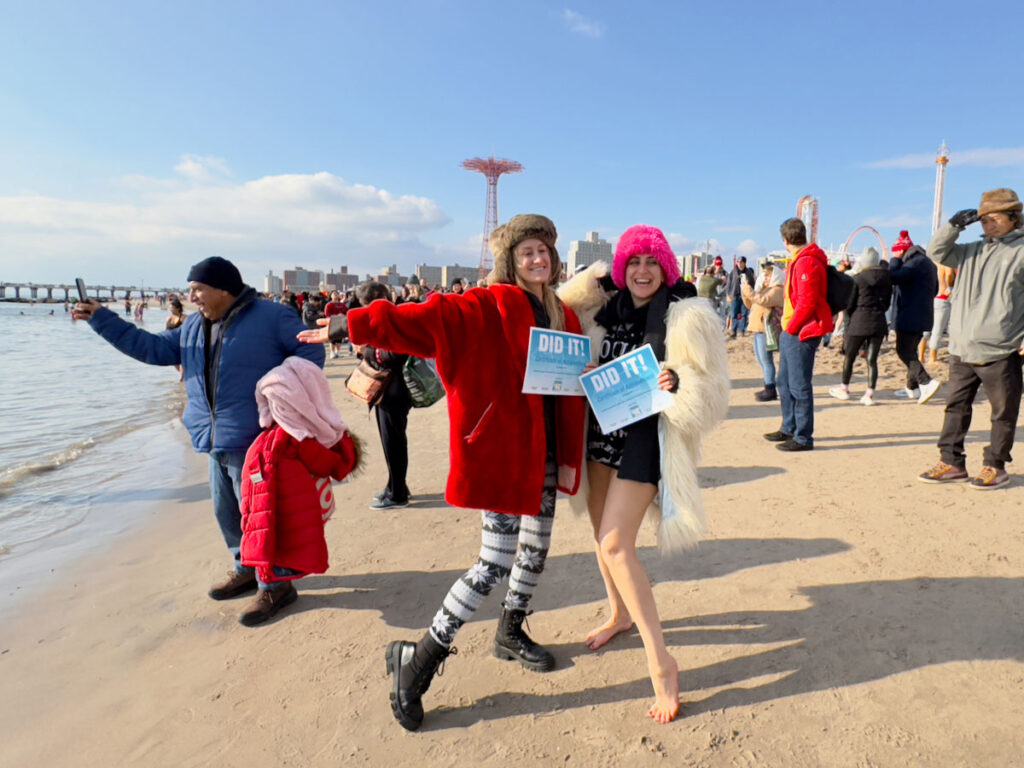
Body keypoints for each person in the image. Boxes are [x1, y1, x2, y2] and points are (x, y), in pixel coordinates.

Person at [299, 214, 586, 731]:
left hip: (545, 450)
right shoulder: (486, 303)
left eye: (544, 250)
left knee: (536, 551)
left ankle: (511, 629)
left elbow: (579, 369)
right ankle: (420, 657)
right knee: (492, 563)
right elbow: (429, 318)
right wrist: (358, 322)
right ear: (510, 260)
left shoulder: (561, 312)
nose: (538, 259)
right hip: (502, 450)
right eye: (527, 252)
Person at [72, 256, 324, 624]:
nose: (192, 297)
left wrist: (282, 395)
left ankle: (277, 586)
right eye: (190, 290)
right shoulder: (192, 327)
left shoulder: (271, 317)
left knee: (264, 515)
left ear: (223, 289)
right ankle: (247, 568)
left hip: (256, 436)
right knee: (228, 512)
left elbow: (310, 349)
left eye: (198, 290)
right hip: (212, 437)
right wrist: (102, 319)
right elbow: (152, 348)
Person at [558, 225, 729, 724]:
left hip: (646, 440)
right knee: (600, 537)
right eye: (633, 262)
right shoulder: (602, 311)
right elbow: (555, 322)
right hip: (600, 434)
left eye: (651, 262)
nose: (641, 271)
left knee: (616, 544)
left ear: (666, 267)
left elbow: (712, 389)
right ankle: (620, 613)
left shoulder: (685, 313)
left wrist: (678, 381)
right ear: (620, 268)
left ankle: (662, 663)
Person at [238, 357, 360, 624]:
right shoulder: (273, 439)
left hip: (286, 511)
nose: (275, 408)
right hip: (268, 509)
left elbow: (335, 464)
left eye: (281, 404)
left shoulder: (295, 441)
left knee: (282, 547)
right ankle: (268, 583)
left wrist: (339, 449)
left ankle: (274, 588)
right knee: (272, 544)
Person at [919, 188, 1024, 490]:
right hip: (962, 346)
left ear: (1013, 216)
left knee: (1003, 412)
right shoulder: (970, 250)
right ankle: (951, 462)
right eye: (982, 220)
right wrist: (952, 225)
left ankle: (995, 466)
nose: (987, 225)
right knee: (955, 406)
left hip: (1001, 348)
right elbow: (935, 252)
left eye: (994, 218)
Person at [764, 218, 833, 451]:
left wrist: (791, 328)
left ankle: (803, 437)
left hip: (801, 331)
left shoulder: (806, 261)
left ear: (785, 241)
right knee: (784, 382)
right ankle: (789, 427)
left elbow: (807, 302)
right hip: (793, 329)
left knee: (799, 385)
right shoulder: (799, 260)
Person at [353, 281, 414, 510]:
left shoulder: (396, 318)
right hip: (388, 390)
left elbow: (394, 354)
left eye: (367, 304)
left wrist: (368, 348)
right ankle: (395, 486)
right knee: (391, 442)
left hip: (394, 390)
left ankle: (398, 494)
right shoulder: (389, 317)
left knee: (394, 442)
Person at [829, 247, 891, 406]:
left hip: (858, 321)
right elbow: (887, 304)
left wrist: (848, 321)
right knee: (872, 360)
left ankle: (844, 388)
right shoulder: (886, 279)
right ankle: (869, 394)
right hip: (878, 322)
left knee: (849, 357)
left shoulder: (858, 279)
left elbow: (850, 303)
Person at [888, 231, 941, 404]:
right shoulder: (928, 263)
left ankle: (926, 382)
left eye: (897, 251)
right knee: (911, 350)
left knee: (904, 351)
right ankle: (913, 388)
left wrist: (894, 260)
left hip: (910, 315)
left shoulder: (912, 264)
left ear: (902, 251)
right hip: (924, 315)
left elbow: (893, 277)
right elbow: (935, 290)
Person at [743, 257, 785, 401]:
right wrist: (745, 292)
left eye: (769, 275)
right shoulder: (763, 289)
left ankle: (770, 389)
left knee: (767, 361)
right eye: (765, 275)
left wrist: (748, 291)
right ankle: (768, 385)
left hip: (765, 329)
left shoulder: (777, 290)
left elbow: (763, 300)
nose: (766, 277)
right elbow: (751, 304)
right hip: (757, 328)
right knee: (761, 360)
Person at [924, 264, 955, 364]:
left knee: (926, 330)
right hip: (942, 297)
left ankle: (920, 356)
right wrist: (950, 288)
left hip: (930, 297)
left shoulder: (931, 263)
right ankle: (932, 358)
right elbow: (949, 273)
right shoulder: (946, 263)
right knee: (937, 330)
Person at [724, 256, 755, 338]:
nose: (739, 264)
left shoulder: (748, 272)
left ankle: (741, 331)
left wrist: (749, 288)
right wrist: (728, 294)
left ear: (745, 263)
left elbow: (753, 284)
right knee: (734, 314)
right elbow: (729, 284)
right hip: (735, 295)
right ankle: (733, 331)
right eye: (738, 262)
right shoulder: (733, 272)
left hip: (745, 296)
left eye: (741, 262)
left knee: (744, 314)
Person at [324, 291, 348, 359]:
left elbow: (347, 312)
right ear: (331, 296)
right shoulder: (329, 305)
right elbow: (327, 314)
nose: (335, 295)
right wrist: (336, 316)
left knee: (339, 339)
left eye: (337, 294)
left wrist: (343, 315)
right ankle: (332, 352)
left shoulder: (342, 305)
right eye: (334, 294)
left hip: (341, 323)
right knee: (332, 339)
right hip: (332, 323)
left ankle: (338, 352)